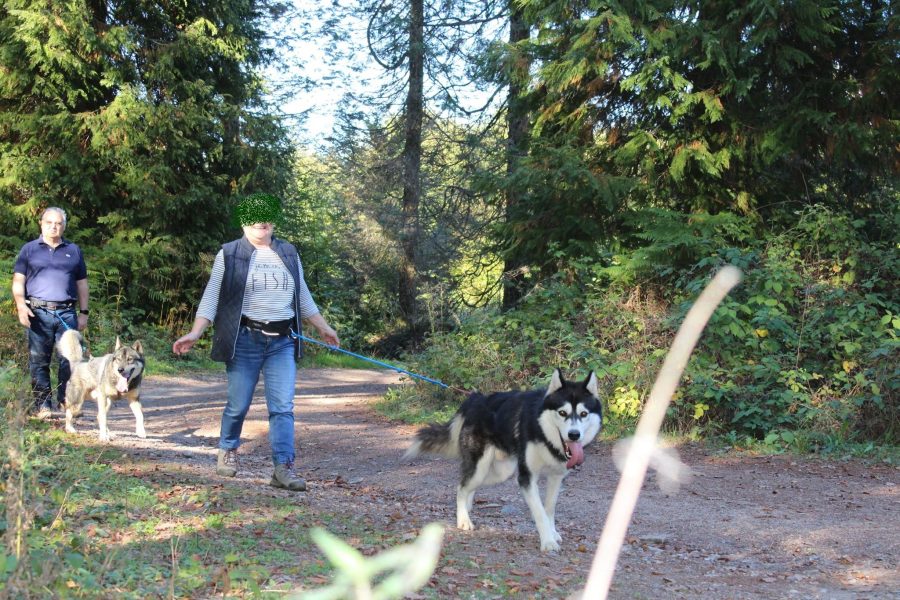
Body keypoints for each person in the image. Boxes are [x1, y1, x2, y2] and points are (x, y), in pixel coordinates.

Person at [172, 193, 339, 492]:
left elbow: (302, 295)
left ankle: (283, 468)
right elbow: (212, 297)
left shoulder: (288, 252)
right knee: (238, 404)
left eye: (266, 217)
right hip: (245, 340)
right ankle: (228, 449)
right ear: (244, 222)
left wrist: (324, 328)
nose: (261, 222)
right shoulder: (229, 253)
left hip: (282, 342)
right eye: (254, 217)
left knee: (283, 407)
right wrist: (195, 333)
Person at [12, 207, 90, 419]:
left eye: (58, 223)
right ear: (41, 223)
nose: (54, 227)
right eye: (49, 222)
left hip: (67, 313)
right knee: (39, 361)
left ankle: (67, 402)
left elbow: (82, 284)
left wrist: (84, 312)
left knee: (70, 360)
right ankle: (43, 406)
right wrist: (20, 306)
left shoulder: (73, 250)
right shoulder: (29, 249)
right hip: (37, 312)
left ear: (64, 226)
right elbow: (18, 280)